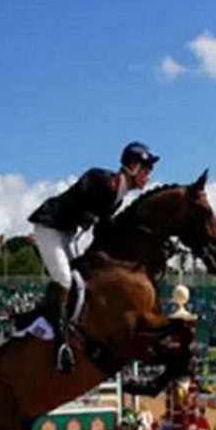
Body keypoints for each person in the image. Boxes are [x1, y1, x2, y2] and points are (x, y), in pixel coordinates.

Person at [28, 142, 159, 373]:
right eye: (146, 170)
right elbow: (83, 189)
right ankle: (61, 348)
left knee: (81, 281)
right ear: (133, 166)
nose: (148, 176)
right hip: (50, 228)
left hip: (66, 233)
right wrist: (91, 215)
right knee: (65, 280)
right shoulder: (104, 180)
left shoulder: (118, 197)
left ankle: (73, 334)